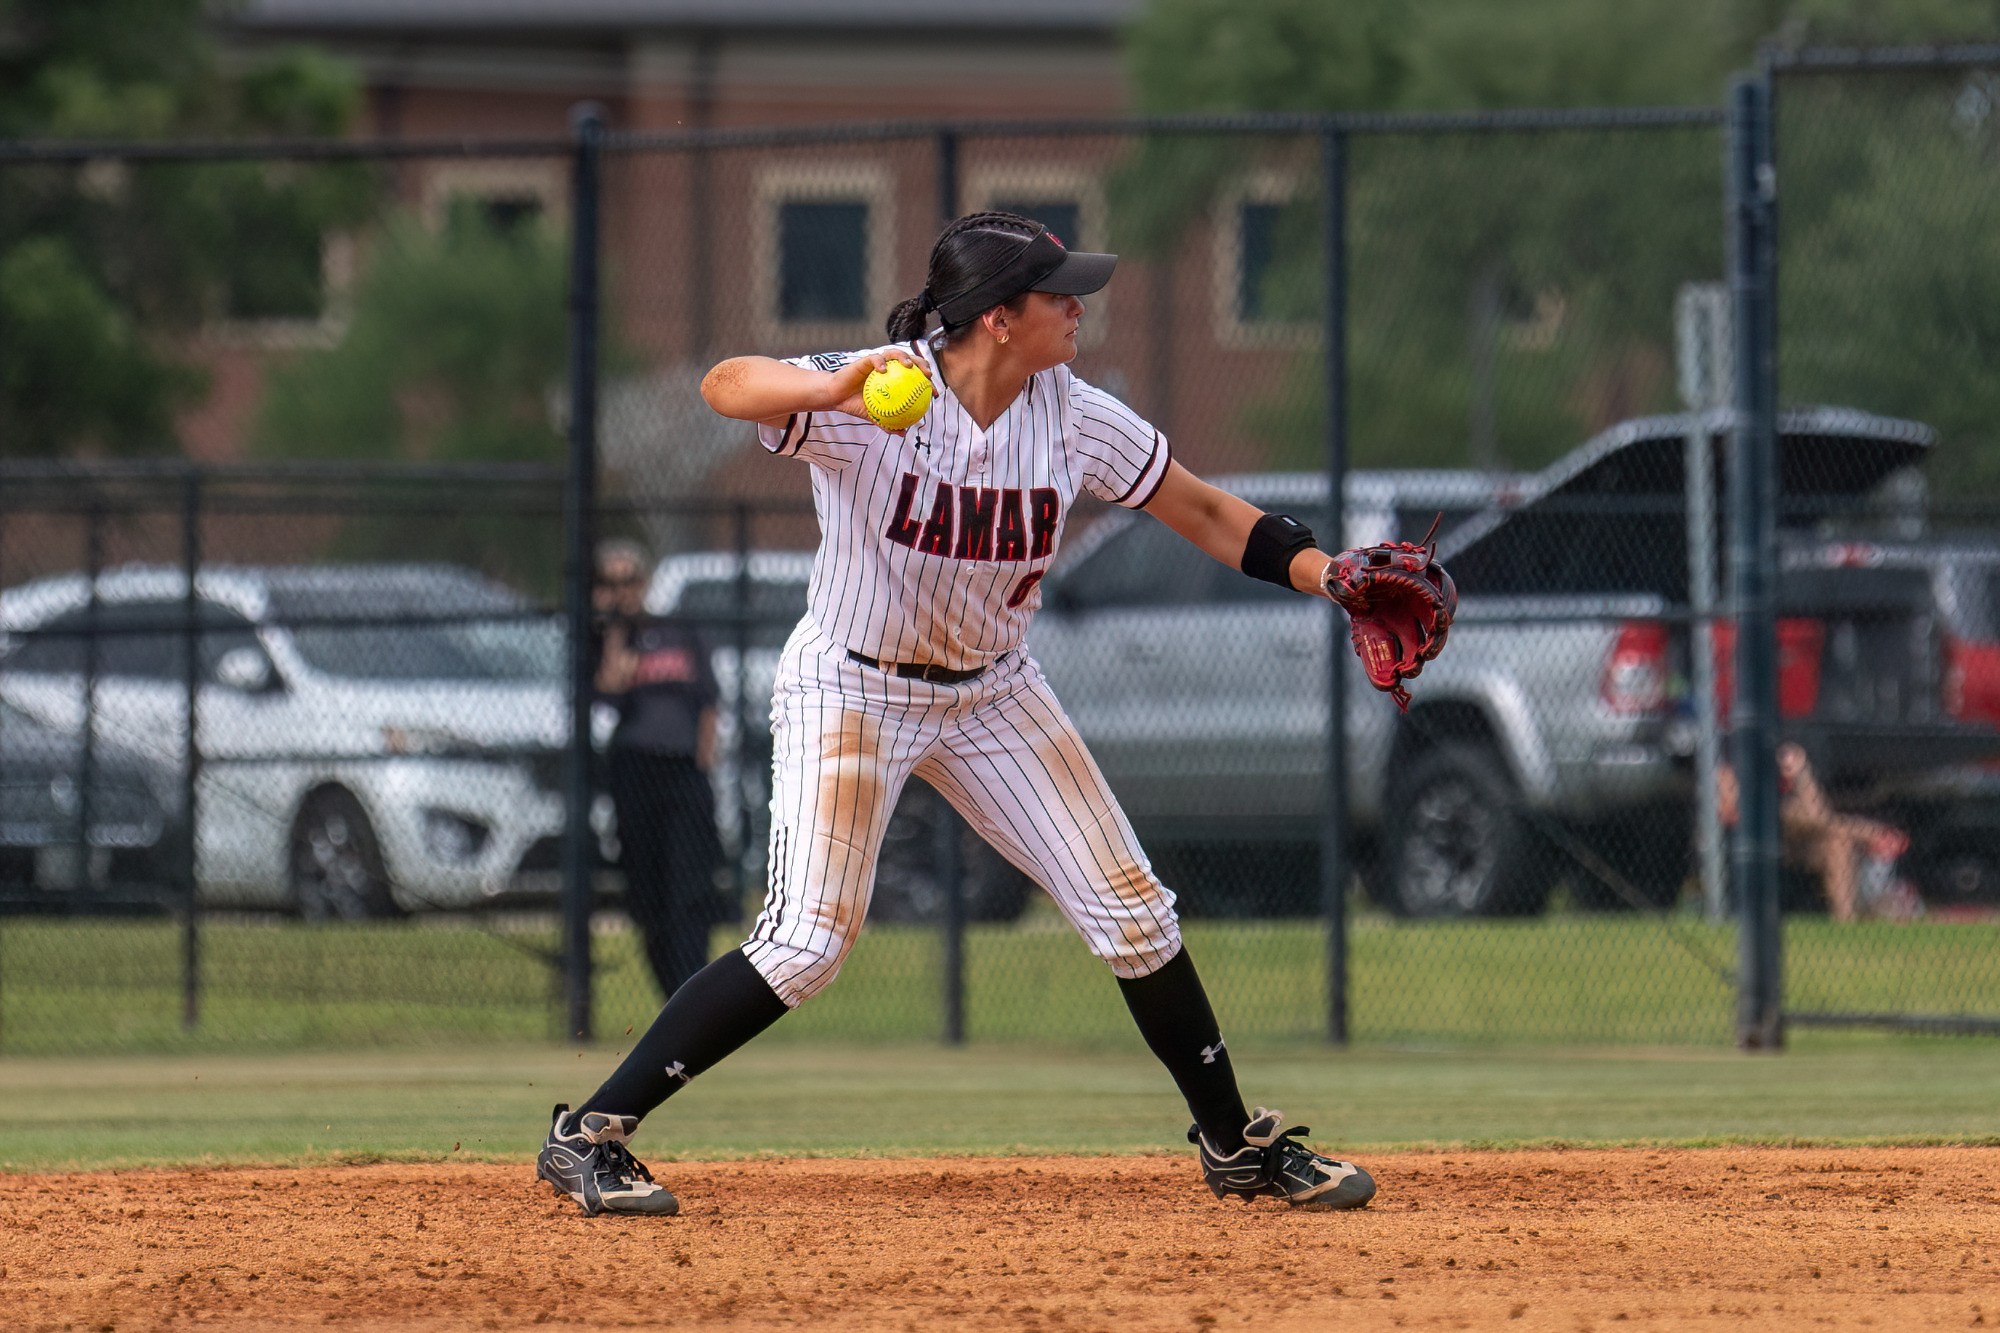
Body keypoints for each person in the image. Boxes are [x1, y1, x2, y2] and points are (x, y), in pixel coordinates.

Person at [537, 211, 1378, 1217]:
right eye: (1057, 292)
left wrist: (1327, 573)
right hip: (852, 685)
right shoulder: (880, 390)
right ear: (994, 317)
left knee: (1133, 911)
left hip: (992, 693)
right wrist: (833, 385)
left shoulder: (1073, 413)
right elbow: (727, 384)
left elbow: (1200, 509)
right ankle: (589, 1131)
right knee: (806, 943)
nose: (1078, 307)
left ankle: (1232, 1143)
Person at [592, 539, 726, 1000]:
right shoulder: (602, 639)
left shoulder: (679, 630)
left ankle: (695, 994)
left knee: (689, 888)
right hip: (634, 771)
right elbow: (607, 693)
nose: (621, 590)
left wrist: (703, 764)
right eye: (610, 583)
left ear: (644, 582)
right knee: (647, 892)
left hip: (684, 772)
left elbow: (709, 702)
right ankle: (672, 996)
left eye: (628, 580)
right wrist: (615, 629)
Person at [1717, 742, 1917, 922]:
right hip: (1753, 830)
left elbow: (1816, 814)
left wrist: (1799, 771)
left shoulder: (1771, 759)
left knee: (1838, 841)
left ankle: (1846, 923)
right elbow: (1732, 809)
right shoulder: (1726, 759)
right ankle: (1870, 831)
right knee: (1787, 811)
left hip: (1794, 838)